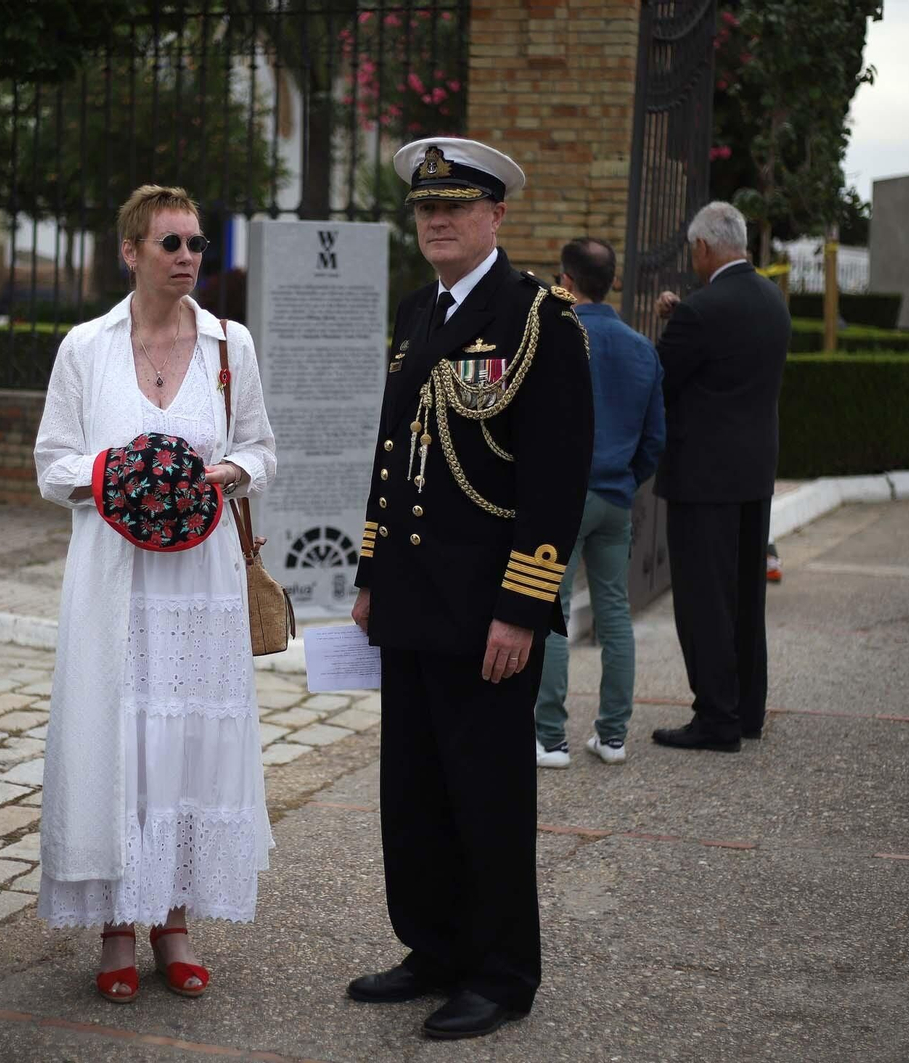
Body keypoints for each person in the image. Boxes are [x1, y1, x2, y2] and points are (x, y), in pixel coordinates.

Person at [347, 137, 594, 1040]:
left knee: (486, 796)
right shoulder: (417, 312)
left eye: (456, 206)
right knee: (413, 794)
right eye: (424, 208)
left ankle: (500, 970)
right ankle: (435, 946)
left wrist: (524, 610)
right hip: (412, 603)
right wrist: (370, 574)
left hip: (488, 611)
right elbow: (388, 459)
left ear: (497, 215)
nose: (438, 221)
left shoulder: (538, 319)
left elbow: (555, 483)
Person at [32, 184, 277, 1001]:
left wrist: (227, 471)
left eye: (197, 245)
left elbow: (262, 450)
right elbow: (52, 461)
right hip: (114, 582)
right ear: (130, 252)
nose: (186, 259)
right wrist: (117, 475)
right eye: (169, 244)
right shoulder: (86, 347)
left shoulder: (228, 346)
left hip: (201, 585)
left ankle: (173, 920)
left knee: (184, 748)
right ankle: (113, 928)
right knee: (119, 740)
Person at [650, 201, 790, 752]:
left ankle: (716, 719)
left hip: (702, 481)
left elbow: (662, 379)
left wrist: (677, 319)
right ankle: (747, 710)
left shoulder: (702, 311)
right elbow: (725, 359)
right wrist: (684, 313)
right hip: (754, 476)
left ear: (705, 247)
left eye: (693, 251)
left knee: (705, 602)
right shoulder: (770, 299)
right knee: (744, 598)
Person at [533, 237, 665, 769]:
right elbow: (656, 438)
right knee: (615, 614)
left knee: (551, 612)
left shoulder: (551, 337)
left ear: (565, 281)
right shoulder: (642, 348)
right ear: (611, 282)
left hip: (560, 498)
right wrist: (626, 479)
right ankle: (612, 737)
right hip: (616, 496)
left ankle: (549, 739)